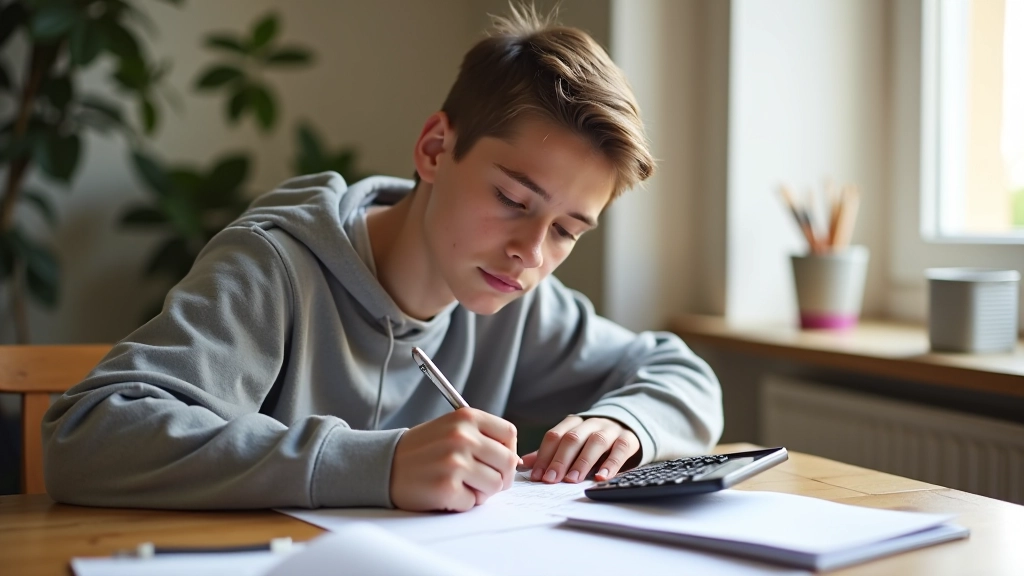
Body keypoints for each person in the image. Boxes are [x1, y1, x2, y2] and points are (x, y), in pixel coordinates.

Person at [41, 5, 723, 512]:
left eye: (568, 230)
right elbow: (87, 435)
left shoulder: (519, 298)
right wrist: (376, 464)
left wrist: (624, 425)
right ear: (434, 150)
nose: (531, 251)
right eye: (513, 199)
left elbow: (683, 373)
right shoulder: (275, 268)